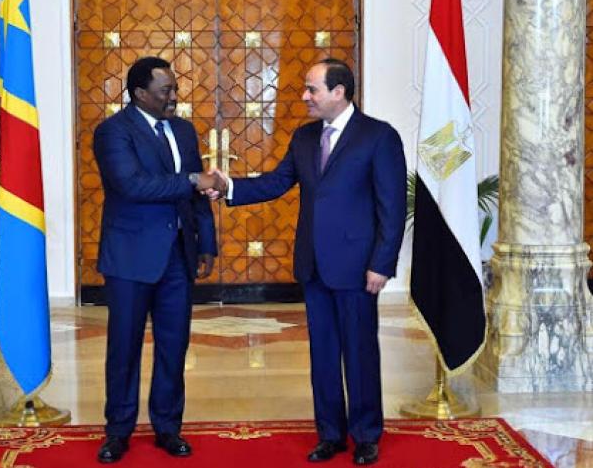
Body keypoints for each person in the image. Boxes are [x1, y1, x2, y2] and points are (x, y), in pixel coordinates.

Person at [210, 59, 406, 465]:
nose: (305, 97)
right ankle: (330, 434)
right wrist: (228, 187)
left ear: (339, 92)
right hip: (314, 265)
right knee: (323, 354)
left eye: (312, 89)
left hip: (357, 267)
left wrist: (382, 264)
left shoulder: (378, 136)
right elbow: (276, 182)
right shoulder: (304, 137)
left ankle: (366, 435)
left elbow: (392, 207)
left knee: (360, 353)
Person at [92, 56, 224, 464]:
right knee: (124, 347)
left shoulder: (183, 130)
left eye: (174, 89)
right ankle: (118, 431)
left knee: (173, 345)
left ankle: (168, 427)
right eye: (165, 90)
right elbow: (131, 185)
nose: (174, 97)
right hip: (130, 257)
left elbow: (197, 194)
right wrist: (191, 180)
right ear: (140, 94)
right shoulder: (113, 132)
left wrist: (206, 242)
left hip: (177, 256)